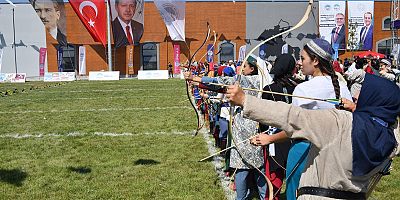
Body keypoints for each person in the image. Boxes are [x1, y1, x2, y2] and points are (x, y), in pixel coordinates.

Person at [226, 69, 400, 199]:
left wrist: (245, 100)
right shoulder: (391, 141)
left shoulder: (340, 122)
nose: (357, 97)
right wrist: (362, 111)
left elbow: (293, 116)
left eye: (364, 95)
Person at [185, 55, 269, 200]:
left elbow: (224, 82)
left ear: (253, 69)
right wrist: (198, 83)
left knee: (250, 171)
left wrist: (196, 78)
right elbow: (224, 88)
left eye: (244, 66)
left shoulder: (250, 81)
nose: (241, 69)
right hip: (246, 131)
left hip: (247, 131)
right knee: (253, 172)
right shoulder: (257, 81)